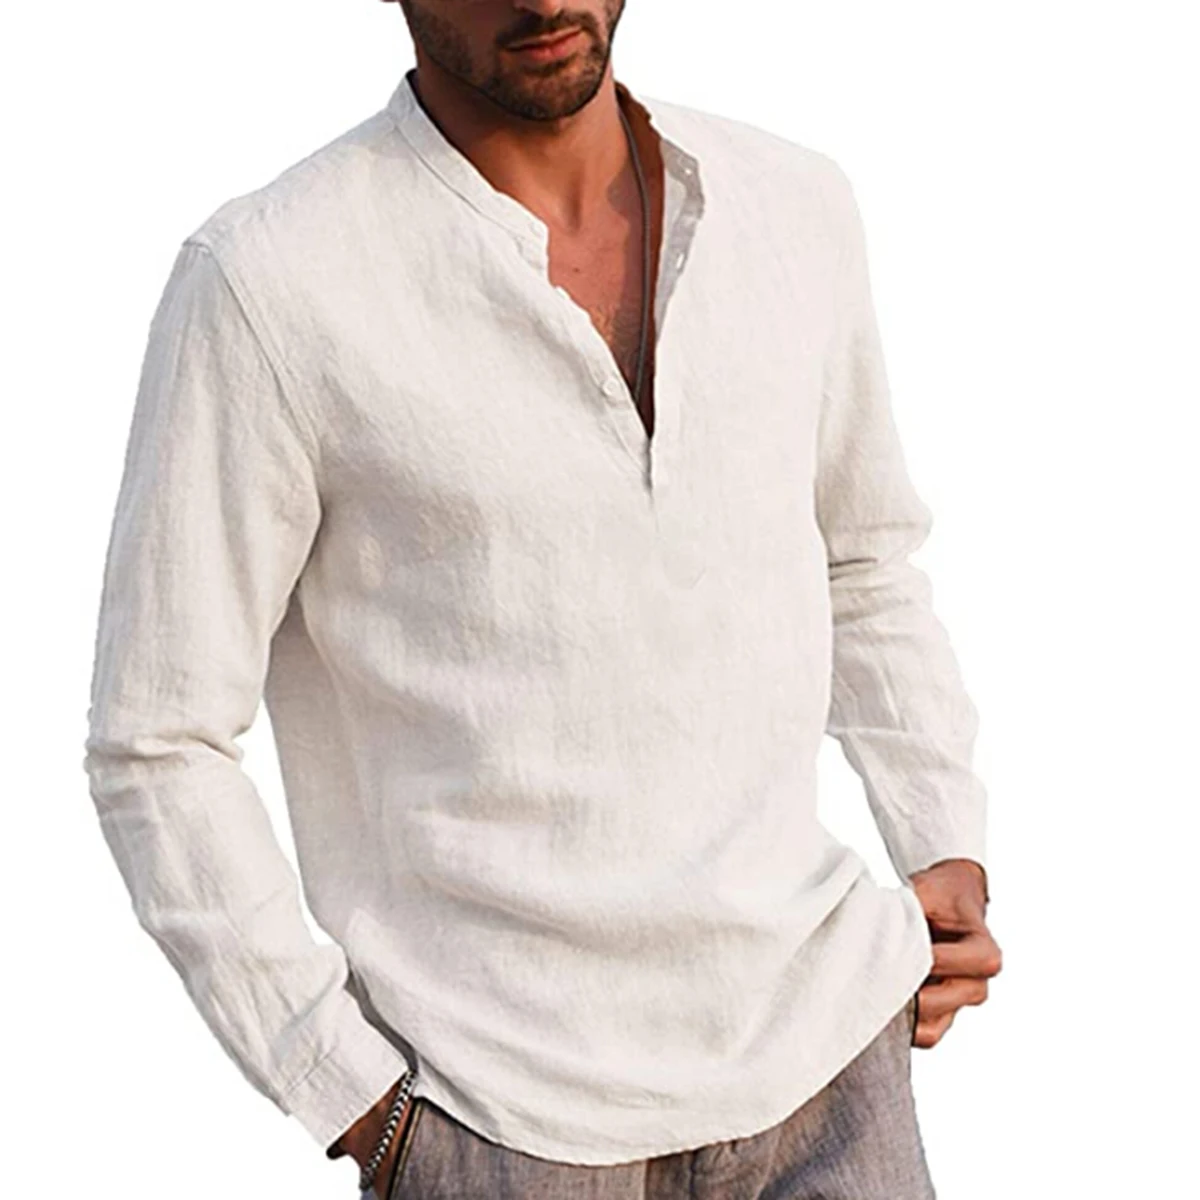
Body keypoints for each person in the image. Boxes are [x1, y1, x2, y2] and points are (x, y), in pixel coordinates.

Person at [82, 2, 1002, 1197]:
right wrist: (350, 1094)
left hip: (828, 1069)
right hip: (502, 1119)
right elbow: (157, 739)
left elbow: (863, 558)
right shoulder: (271, 281)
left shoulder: (792, 206)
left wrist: (943, 838)